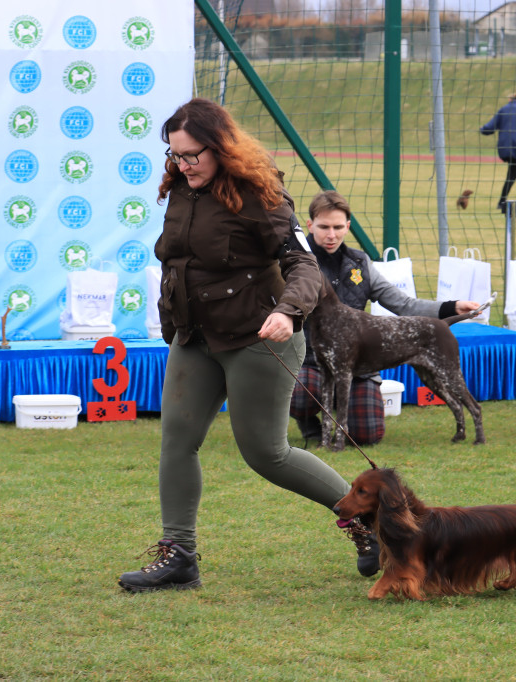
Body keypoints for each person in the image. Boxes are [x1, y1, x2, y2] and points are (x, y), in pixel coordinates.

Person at [118, 99, 378, 593]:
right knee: (176, 440)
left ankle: (365, 519)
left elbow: (302, 265)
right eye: (175, 156)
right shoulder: (181, 189)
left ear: (220, 148)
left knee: (266, 453)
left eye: (193, 155)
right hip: (196, 337)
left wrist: (288, 311)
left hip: (260, 337)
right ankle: (179, 556)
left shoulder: (261, 193)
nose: (183, 165)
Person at [290, 190, 480, 446]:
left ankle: (342, 415)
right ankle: (312, 428)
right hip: (310, 360)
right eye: (324, 227)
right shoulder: (300, 264)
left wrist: (450, 307)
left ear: (347, 226)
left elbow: (404, 304)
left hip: (360, 364)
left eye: (337, 227)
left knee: (368, 433)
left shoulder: (360, 263)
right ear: (310, 225)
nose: (331, 234)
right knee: (299, 395)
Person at [480, 93, 516, 212]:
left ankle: (502, 201)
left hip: (503, 148)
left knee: (514, 170)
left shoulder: (503, 110)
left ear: (510, 100)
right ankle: (501, 201)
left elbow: (490, 127)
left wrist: (482, 130)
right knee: (515, 170)